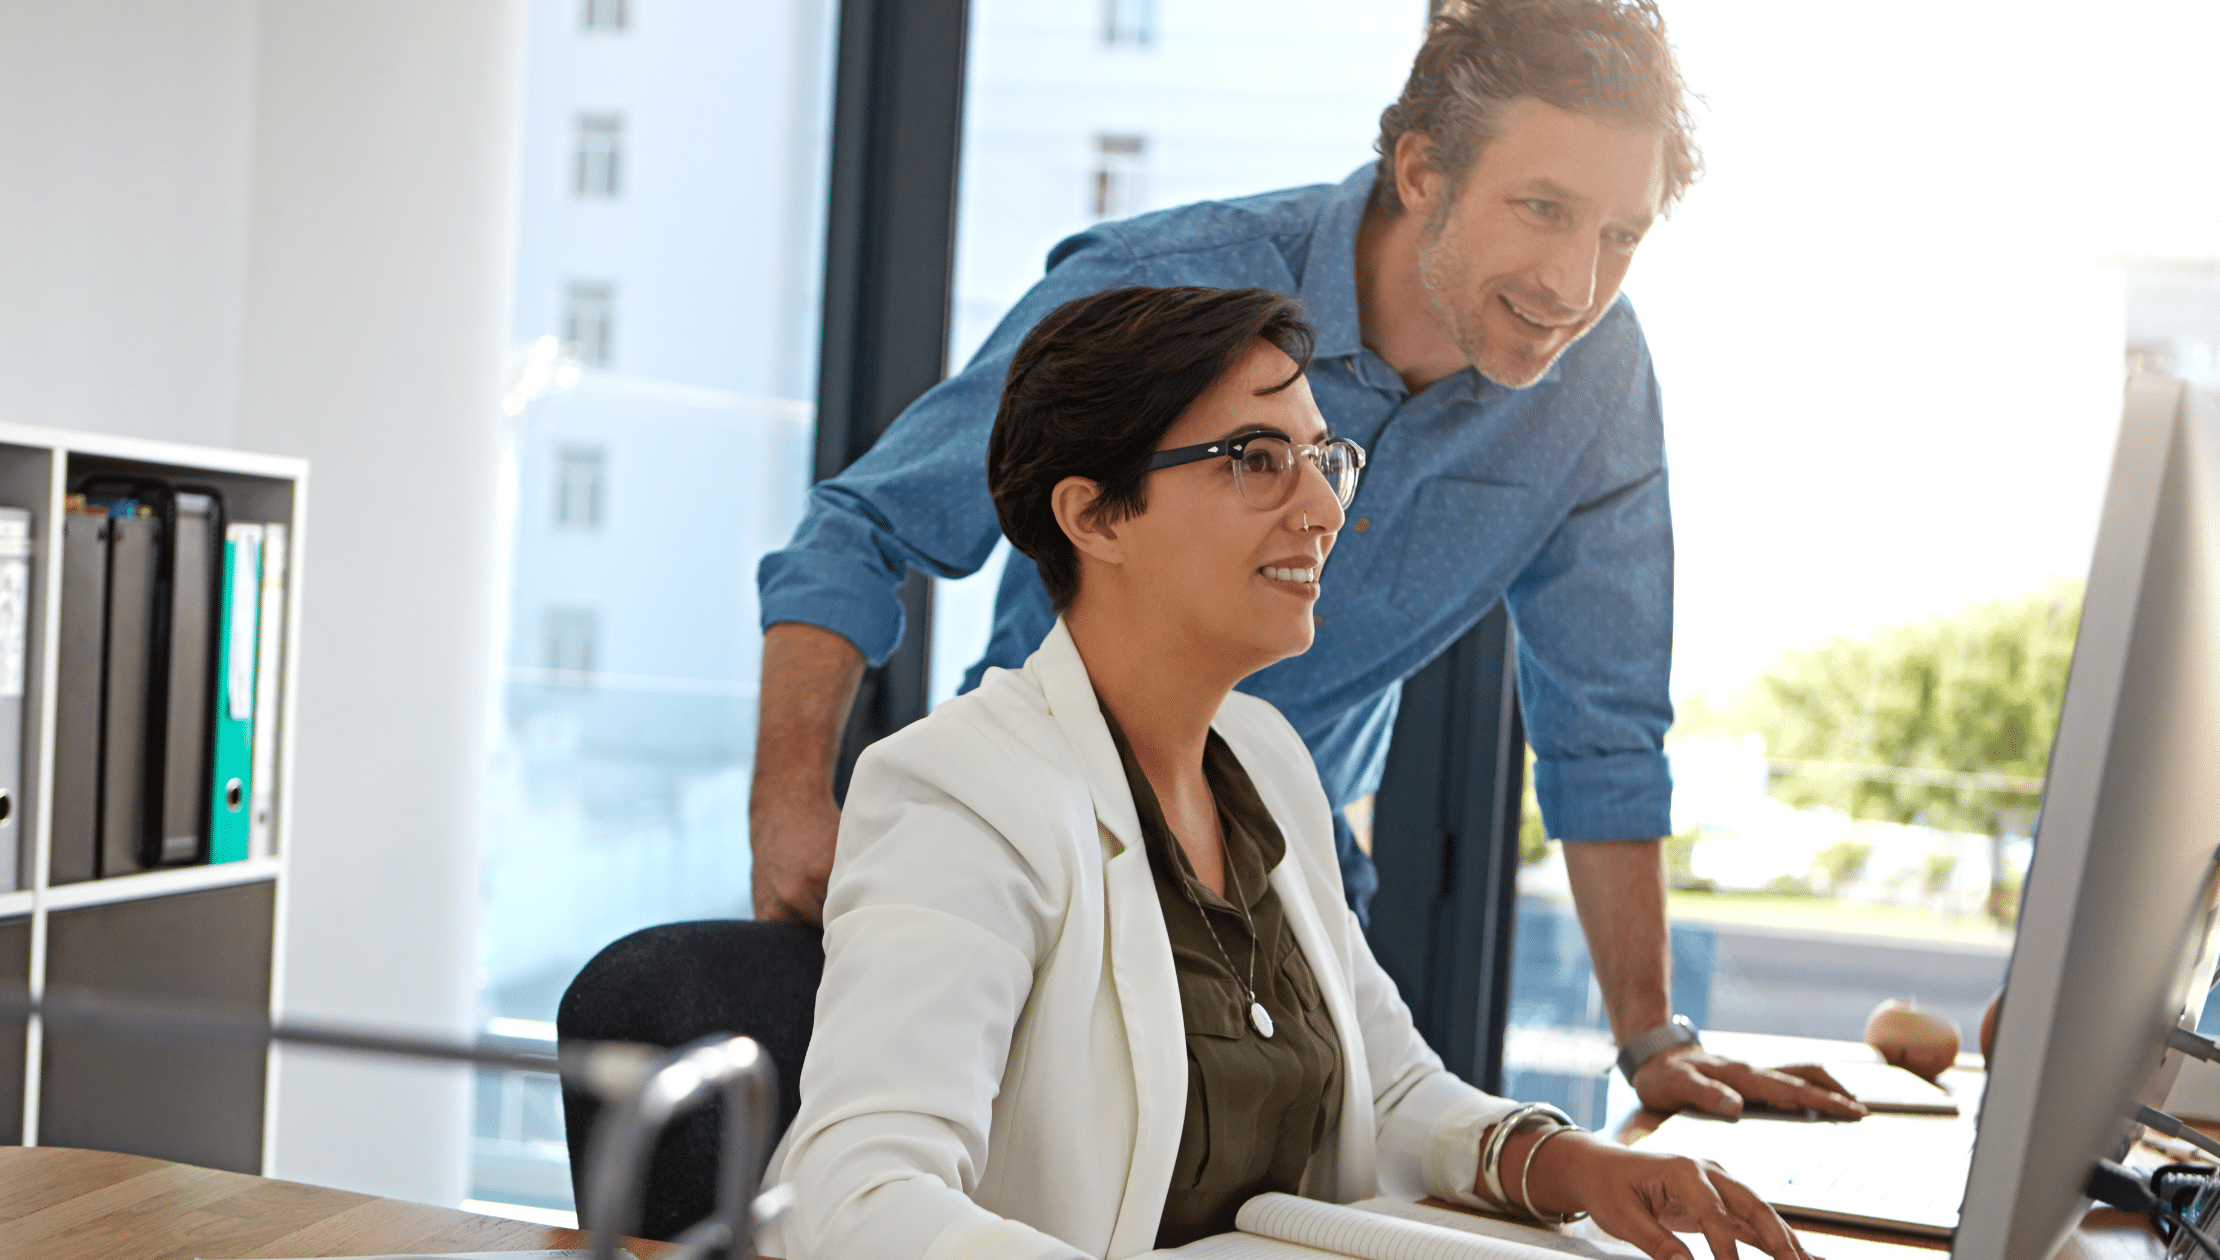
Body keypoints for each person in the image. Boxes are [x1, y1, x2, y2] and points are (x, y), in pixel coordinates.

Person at [753, 0, 1860, 1119]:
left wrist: (1652, 1041)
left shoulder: (1598, 386)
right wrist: (793, 805)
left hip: (1293, 901)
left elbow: (1604, 727)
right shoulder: (1166, 288)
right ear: (1423, 170)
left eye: (1621, 234)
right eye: (1543, 208)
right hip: (1049, 864)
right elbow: (864, 527)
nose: (1575, 285)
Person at [760, 286, 1817, 1260]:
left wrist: (1563, 1163)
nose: (1323, 508)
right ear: (1095, 515)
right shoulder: (962, 794)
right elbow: (855, 1192)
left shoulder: (1264, 759)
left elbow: (1391, 1085)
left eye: (1326, 459)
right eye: (1256, 458)